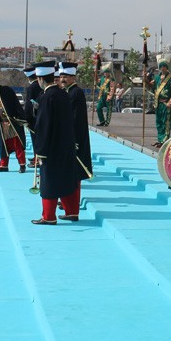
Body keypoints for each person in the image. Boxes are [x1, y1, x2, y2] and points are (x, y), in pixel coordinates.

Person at [31, 61, 80, 225]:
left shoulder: (47, 97)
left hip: (51, 147)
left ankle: (48, 216)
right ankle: (71, 211)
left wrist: (40, 150)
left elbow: (44, 127)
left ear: (40, 79)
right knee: (66, 179)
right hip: (65, 145)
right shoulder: (63, 94)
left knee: (49, 181)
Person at [59, 61, 93, 221]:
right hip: (70, 139)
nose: (62, 79)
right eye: (61, 76)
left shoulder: (75, 93)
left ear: (73, 77)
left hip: (74, 140)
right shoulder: (68, 92)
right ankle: (67, 204)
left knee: (73, 175)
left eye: (65, 76)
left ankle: (72, 209)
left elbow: (72, 119)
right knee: (67, 174)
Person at [0, 70, 28, 172]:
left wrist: (21, 118)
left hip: (12, 123)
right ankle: (3, 166)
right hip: (1, 126)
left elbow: (16, 105)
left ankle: (22, 165)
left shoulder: (7, 90)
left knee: (17, 145)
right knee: (3, 146)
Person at [151, 62, 171, 148]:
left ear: (167, 67)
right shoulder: (157, 78)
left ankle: (164, 140)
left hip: (166, 103)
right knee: (159, 122)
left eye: (164, 66)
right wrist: (145, 79)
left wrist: (170, 102)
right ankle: (160, 139)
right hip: (158, 103)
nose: (162, 68)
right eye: (161, 66)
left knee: (166, 123)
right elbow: (152, 87)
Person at [23, 67, 42, 167]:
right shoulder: (40, 85)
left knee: (35, 139)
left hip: (33, 118)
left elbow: (28, 105)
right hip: (39, 116)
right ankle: (36, 156)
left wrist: (26, 118)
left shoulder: (32, 87)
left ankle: (37, 158)